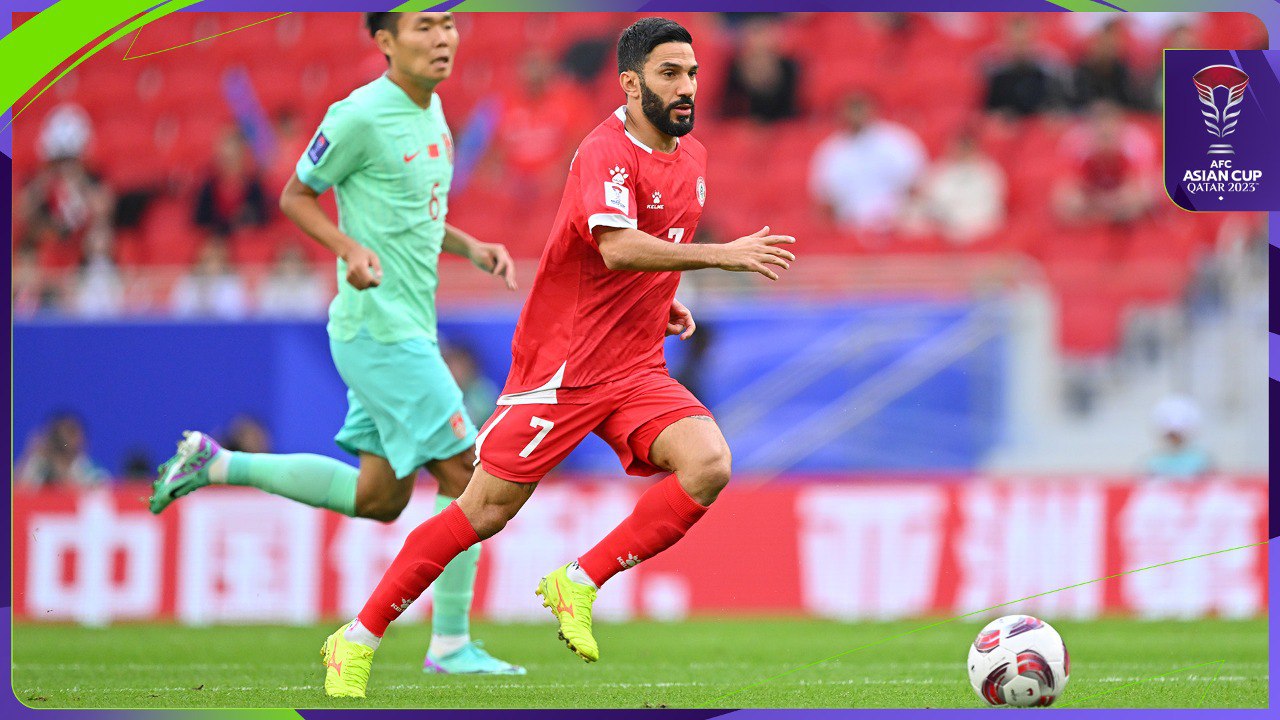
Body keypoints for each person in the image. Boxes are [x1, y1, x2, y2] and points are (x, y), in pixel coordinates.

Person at [318, 16, 796, 699]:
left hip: (632, 368)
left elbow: (637, 260)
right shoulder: (605, 151)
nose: (686, 87)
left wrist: (662, 304)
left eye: (691, 73)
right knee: (480, 512)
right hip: (562, 370)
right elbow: (616, 247)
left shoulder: (694, 159)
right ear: (631, 84)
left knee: (709, 462)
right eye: (669, 74)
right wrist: (720, 256)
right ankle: (356, 637)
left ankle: (578, 580)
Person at [149, 12, 522, 676]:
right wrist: (347, 246)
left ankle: (216, 464)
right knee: (470, 472)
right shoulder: (358, 116)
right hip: (379, 329)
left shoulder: (433, 111)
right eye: (424, 27)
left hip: (405, 325)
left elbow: (419, 215)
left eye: (448, 25)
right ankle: (451, 643)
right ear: (384, 41)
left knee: (379, 499)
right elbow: (296, 194)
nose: (443, 39)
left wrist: (471, 246)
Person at [808, 93, 927, 234]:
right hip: (850, 227)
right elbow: (825, 198)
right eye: (851, 109)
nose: (856, 114)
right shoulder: (831, 150)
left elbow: (916, 184)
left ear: (872, 109)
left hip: (898, 222)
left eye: (860, 108)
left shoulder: (897, 141)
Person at [16, 412, 109, 488]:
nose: (69, 440)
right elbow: (17, 494)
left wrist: (61, 472)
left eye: (73, 432)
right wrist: (28, 454)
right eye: (59, 434)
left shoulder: (91, 470)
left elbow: (100, 499)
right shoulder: (38, 465)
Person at [1145, 395, 1212, 480]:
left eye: (1178, 435)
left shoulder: (1201, 461)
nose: (1175, 439)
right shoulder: (1154, 462)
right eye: (1172, 435)